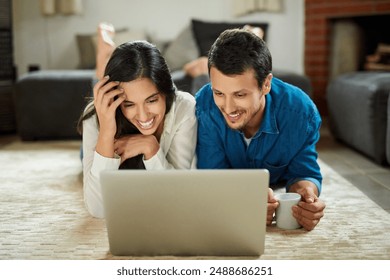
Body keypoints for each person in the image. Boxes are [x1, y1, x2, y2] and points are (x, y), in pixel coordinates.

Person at [195, 28, 326, 231]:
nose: (228, 108)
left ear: (266, 84)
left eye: (240, 95)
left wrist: (306, 197)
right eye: (219, 93)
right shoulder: (204, 107)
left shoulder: (300, 112)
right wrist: (243, 202)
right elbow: (212, 179)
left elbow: (303, 172)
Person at [78, 27, 197, 218]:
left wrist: (151, 148)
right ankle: (102, 66)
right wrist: (107, 131)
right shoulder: (96, 118)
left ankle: (103, 67)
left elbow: (176, 195)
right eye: (129, 104)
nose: (143, 116)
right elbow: (97, 209)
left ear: (166, 93)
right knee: (83, 155)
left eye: (151, 100)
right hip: (109, 123)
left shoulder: (184, 107)